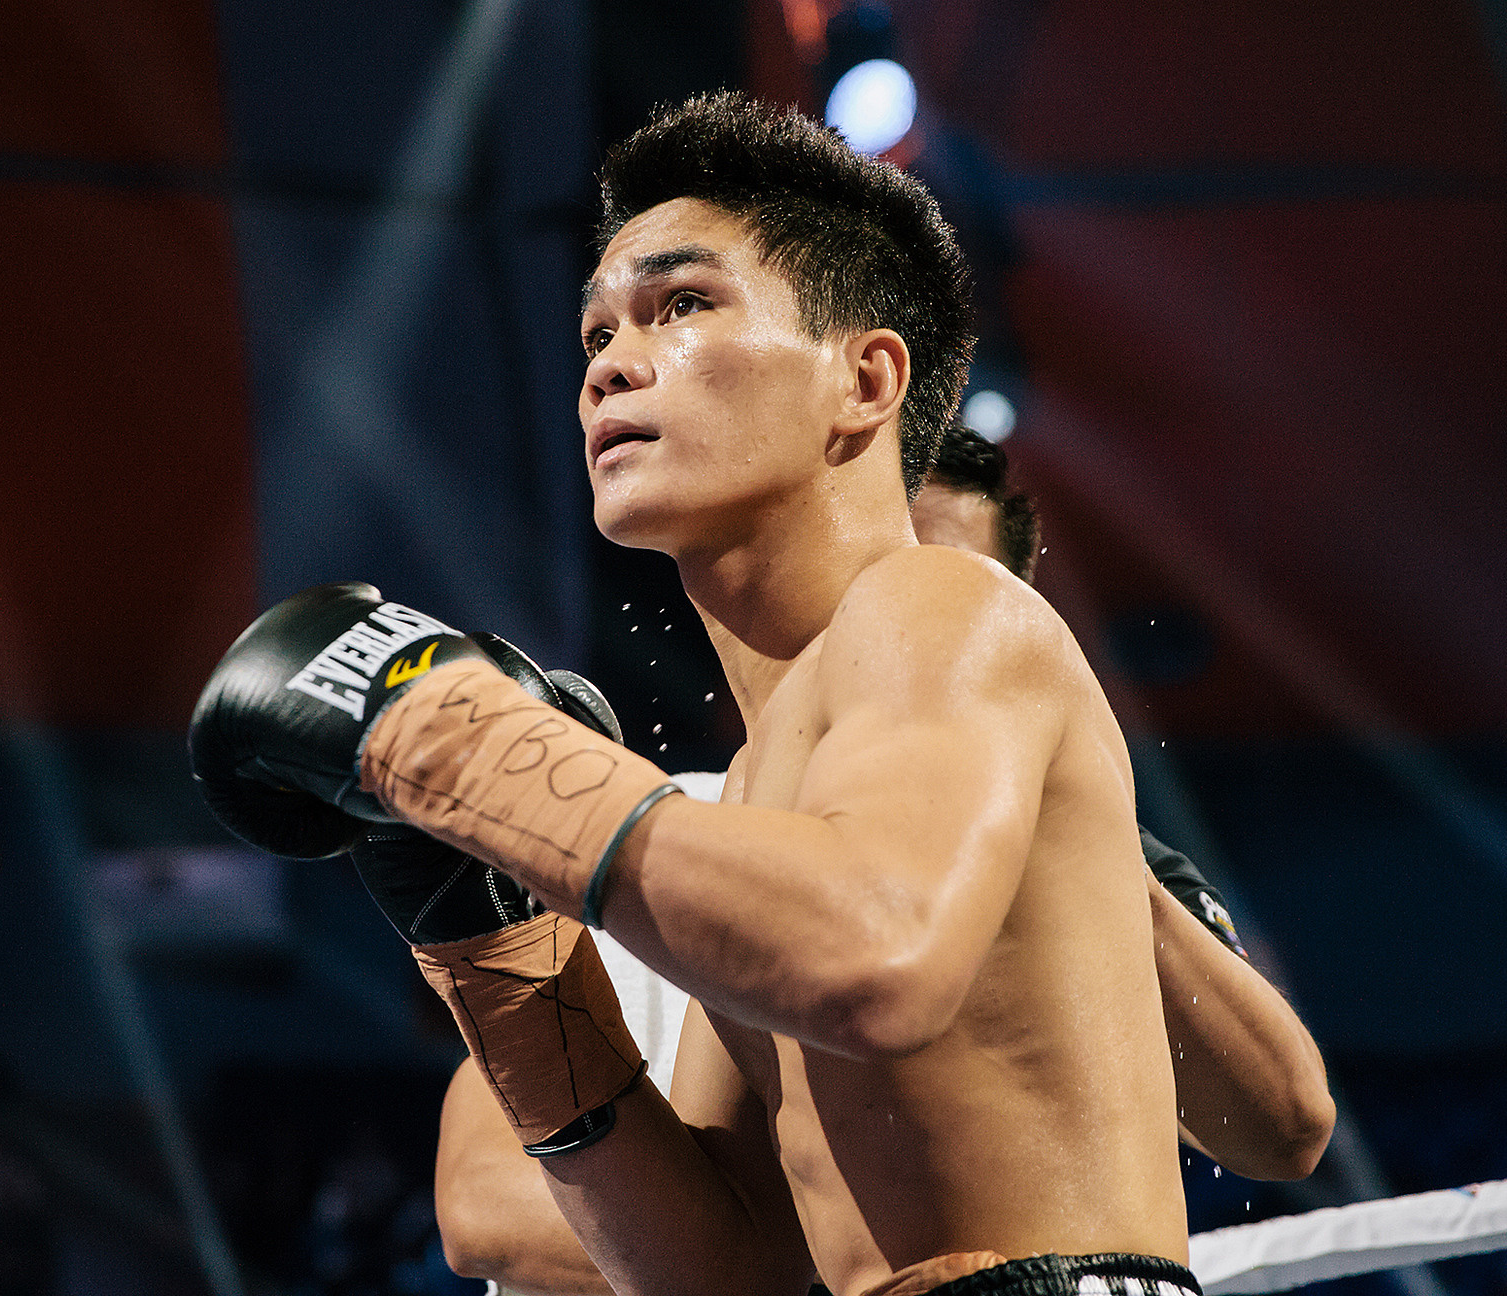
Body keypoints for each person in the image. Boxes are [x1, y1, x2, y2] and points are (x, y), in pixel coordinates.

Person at [193, 91, 1207, 1296]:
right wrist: (499, 963)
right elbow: (724, 1276)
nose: (611, 363)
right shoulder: (761, 821)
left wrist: (458, 745)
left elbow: (876, 958)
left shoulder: (938, 605)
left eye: (681, 305)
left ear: (863, 379)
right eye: (593, 336)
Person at [431, 424, 1334, 1296]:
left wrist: (1052, 849)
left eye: (939, 585)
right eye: (866, 578)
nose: (890, 620)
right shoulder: (684, 831)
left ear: (1016, 613)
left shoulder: (1107, 863)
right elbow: (489, 1208)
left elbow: (1285, 1125)